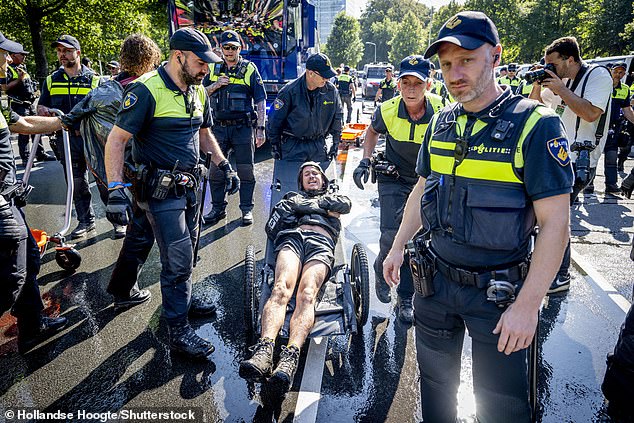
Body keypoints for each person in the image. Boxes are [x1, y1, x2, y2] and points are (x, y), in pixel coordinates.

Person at [383, 11, 573, 422]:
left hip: (499, 297)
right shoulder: (441, 122)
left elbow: (556, 224)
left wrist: (528, 304)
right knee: (435, 394)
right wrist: (397, 247)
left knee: (501, 407)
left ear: (495, 57)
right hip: (433, 287)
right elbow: (421, 188)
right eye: (447, 64)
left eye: (466, 59)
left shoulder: (535, 125)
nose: (454, 73)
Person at [104, 28, 240, 360]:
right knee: (178, 259)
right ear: (178, 56)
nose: (206, 69)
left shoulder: (199, 92)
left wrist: (224, 164)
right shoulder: (146, 90)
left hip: (191, 187)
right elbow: (116, 141)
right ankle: (176, 328)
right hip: (159, 190)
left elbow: (204, 133)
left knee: (172, 245)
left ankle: (133, 291)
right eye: (200, 63)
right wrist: (115, 189)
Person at [239, 161, 351, 394]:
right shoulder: (290, 198)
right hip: (292, 240)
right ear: (300, 183)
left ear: (323, 180)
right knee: (280, 289)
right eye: (306, 174)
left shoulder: (333, 197)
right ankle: (264, 350)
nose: (311, 176)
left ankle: (290, 357)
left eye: (315, 174)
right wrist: (293, 207)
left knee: (307, 293)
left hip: (320, 245)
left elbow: (345, 204)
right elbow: (271, 229)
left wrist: (316, 204)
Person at [352, 55, 445, 323]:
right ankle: (382, 270)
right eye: (406, 82)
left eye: (418, 82)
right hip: (394, 177)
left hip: (426, 180)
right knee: (392, 234)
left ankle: (405, 298)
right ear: (399, 83)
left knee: (418, 240)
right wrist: (365, 161)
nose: (411, 88)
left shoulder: (442, 110)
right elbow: (371, 132)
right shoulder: (388, 109)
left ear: (428, 84)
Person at [1, 31, 69, 353]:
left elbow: (23, 125)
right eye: (3, 54)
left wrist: (65, 122)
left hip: (7, 197)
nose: (7, 61)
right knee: (10, 278)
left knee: (28, 254)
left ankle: (32, 324)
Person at [529, 36, 612, 294]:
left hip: (582, 159)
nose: (550, 68)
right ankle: (556, 271)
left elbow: (590, 113)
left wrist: (560, 90)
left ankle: (560, 274)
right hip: (559, 156)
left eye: (552, 64)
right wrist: (539, 82)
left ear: (570, 59)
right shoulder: (560, 81)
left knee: (554, 217)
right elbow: (533, 106)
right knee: (552, 216)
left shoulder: (598, 76)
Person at [37, 35, 102, 239]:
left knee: (103, 179)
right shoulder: (51, 80)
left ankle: (120, 221)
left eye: (66, 50)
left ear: (78, 53)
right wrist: (44, 110)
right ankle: (86, 221)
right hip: (65, 140)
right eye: (59, 51)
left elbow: (103, 108)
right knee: (76, 183)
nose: (62, 55)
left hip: (92, 138)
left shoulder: (94, 79)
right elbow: (41, 105)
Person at [203, 30, 267, 226]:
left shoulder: (249, 69)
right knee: (215, 171)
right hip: (218, 129)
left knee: (246, 171)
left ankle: (246, 209)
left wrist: (261, 128)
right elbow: (200, 93)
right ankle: (217, 209)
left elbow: (260, 100)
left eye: (234, 47)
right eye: (226, 47)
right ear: (221, 49)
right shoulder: (212, 68)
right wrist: (216, 85)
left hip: (243, 128)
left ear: (240, 49)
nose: (230, 51)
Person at [266, 53, 342, 163]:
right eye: (324, 76)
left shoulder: (331, 91)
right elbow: (274, 121)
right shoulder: (289, 92)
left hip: (318, 146)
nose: (327, 79)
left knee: (318, 179)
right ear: (310, 73)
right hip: (293, 147)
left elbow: (337, 118)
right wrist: (275, 146)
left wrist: (335, 144)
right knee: (290, 179)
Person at [6, 45, 56, 163]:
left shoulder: (22, 68)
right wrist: (18, 79)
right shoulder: (8, 69)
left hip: (29, 103)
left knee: (36, 129)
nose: (24, 57)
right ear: (13, 55)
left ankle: (40, 153)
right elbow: (5, 88)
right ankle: (26, 158)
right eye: (22, 54)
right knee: (24, 132)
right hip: (19, 104)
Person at [602, 62, 634, 192]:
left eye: (621, 72)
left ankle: (611, 185)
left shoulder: (625, 89)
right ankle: (588, 184)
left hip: (614, 128)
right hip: (596, 126)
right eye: (616, 71)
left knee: (612, 157)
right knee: (592, 157)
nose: (618, 75)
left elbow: (627, 110)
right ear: (610, 71)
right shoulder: (601, 86)